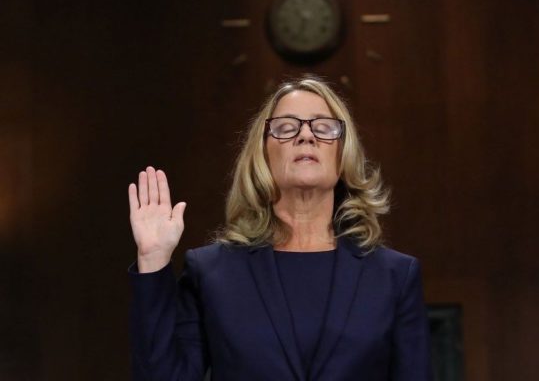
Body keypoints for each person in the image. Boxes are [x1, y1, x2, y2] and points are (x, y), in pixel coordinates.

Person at [128, 76, 432, 381]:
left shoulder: (394, 277)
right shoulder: (210, 272)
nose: (306, 136)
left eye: (323, 128)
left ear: (343, 156)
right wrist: (153, 260)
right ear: (263, 154)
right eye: (286, 128)